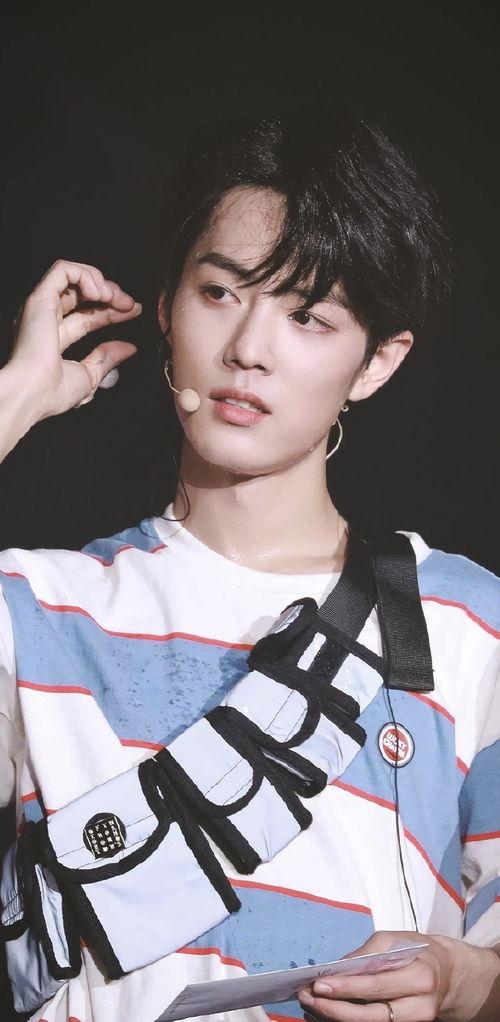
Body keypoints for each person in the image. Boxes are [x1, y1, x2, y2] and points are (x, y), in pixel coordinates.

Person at [0, 111, 499, 1022]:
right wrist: (15, 395)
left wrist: (465, 980)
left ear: (376, 363)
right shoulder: (37, 606)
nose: (248, 349)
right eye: (221, 292)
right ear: (165, 306)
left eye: (308, 316)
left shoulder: (463, 622)